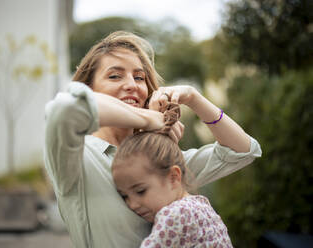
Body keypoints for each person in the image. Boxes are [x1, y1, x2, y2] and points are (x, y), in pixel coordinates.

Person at [44, 31, 261, 248]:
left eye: (139, 77)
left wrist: (194, 98)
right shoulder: (77, 157)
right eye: (115, 76)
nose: (132, 85)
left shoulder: (156, 158)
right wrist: (150, 119)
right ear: (89, 90)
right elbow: (65, 108)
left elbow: (243, 151)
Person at [112, 109, 233, 247]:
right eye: (124, 196)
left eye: (140, 191)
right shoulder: (201, 205)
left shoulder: (175, 215)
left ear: (173, 177)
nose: (132, 204)